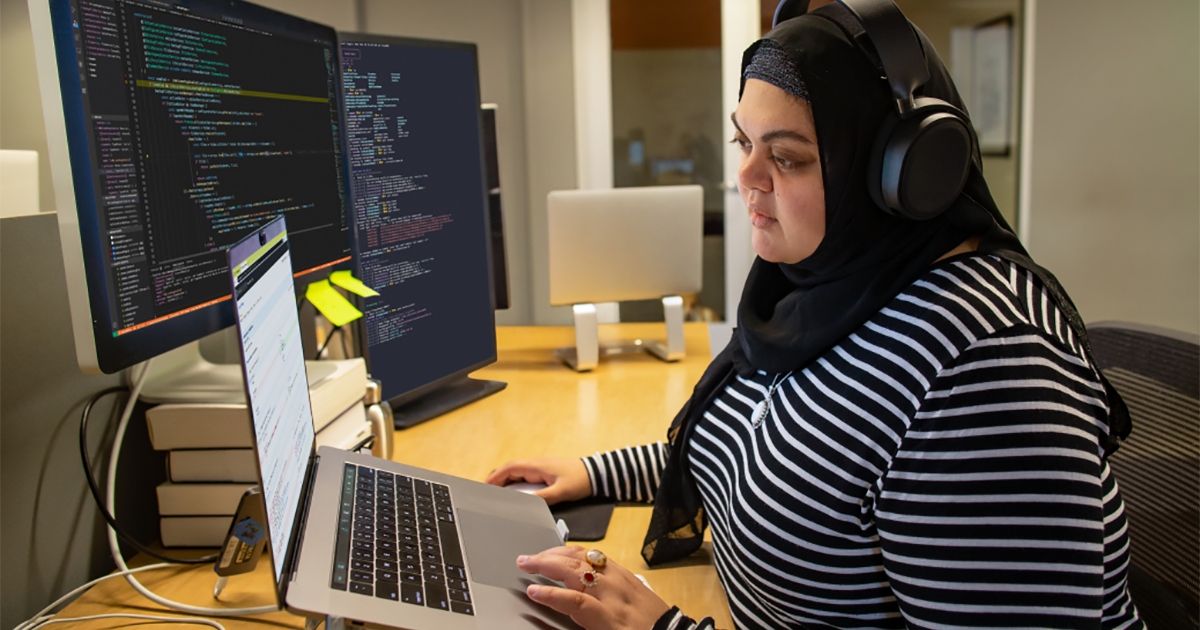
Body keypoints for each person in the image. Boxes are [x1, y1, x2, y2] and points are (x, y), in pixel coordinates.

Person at [487, 2, 1143, 628]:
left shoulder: (981, 372)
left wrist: (665, 627)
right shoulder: (815, 288)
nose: (745, 175)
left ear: (900, 174)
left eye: (788, 157)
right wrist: (598, 474)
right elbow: (763, 446)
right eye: (742, 139)